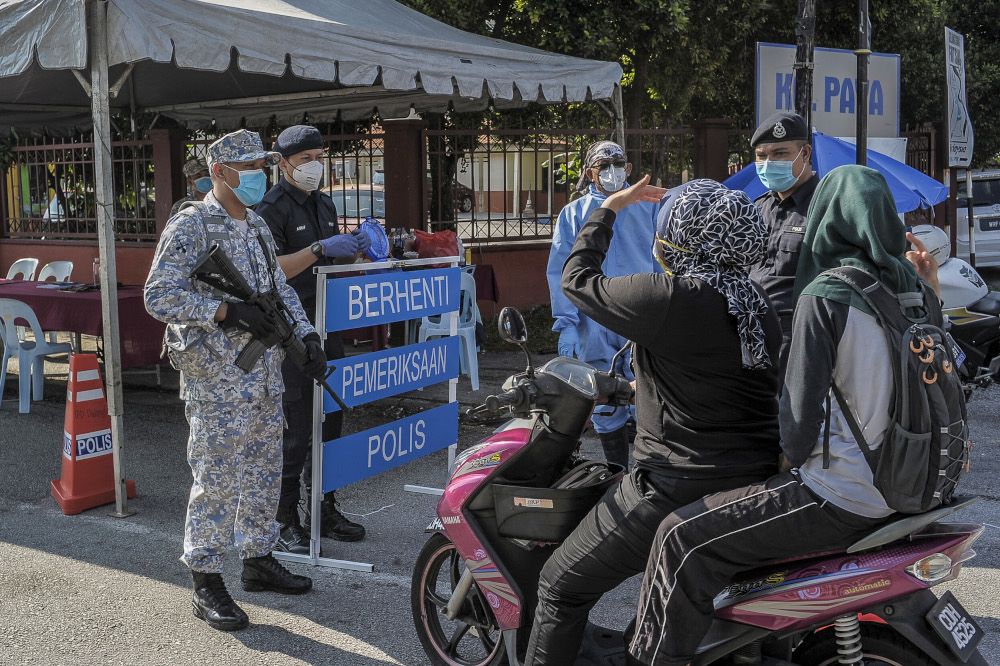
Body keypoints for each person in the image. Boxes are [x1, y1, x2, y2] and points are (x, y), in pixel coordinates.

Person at [627, 165, 942, 666]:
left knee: (679, 536)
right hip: (909, 485)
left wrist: (780, 465)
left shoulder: (826, 296)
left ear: (825, 220)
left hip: (843, 493)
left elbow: (799, 412)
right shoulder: (919, 292)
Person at [525, 177, 783, 665]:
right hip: (754, 482)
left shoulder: (667, 297)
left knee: (559, 585)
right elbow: (712, 377)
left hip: (673, 486)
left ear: (681, 235)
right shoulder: (754, 302)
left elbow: (576, 278)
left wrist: (608, 209)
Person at [145, 129, 325, 632]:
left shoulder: (256, 226)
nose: (259, 174)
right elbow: (158, 296)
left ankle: (258, 558)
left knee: (265, 470)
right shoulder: (193, 224)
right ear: (219, 172)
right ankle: (205, 579)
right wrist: (225, 310)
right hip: (217, 377)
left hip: (262, 371)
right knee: (218, 477)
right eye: (248, 166)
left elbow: (278, 287)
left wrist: (307, 337)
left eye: (262, 165)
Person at [256, 125, 370, 553]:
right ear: (283, 163)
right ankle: (284, 518)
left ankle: (323, 507)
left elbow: (333, 264)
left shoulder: (324, 202)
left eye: (320, 156)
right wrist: (321, 249)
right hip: (290, 330)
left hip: (329, 324)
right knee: (298, 428)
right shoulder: (272, 209)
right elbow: (272, 272)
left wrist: (357, 250)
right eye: (305, 159)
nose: (315, 166)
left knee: (330, 424)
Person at [545, 140, 660, 468]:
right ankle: (617, 472)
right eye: (603, 165)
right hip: (592, 318)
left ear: (630, 168)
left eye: (618, 164)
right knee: (603, 396)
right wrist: (566, 322)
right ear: (589, 172)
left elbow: (663, 260)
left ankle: (649, 473)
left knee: (648, 391)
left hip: (641, 312)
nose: (612, 171)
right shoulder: (574, 213)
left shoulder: (648, 206)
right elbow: (560, 268)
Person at [748, 111, 819, 384]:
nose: (768, 163)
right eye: (761, 156)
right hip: (752, 333)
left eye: (779, 154)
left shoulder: (824, 206)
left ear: (805, 154)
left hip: (799, 337)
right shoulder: (757, 208)